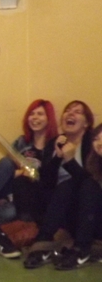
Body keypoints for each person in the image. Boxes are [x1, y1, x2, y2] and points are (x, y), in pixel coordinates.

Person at [23, 100, 94, 269]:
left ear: (86, 123)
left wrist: (70, 161)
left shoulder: (92, 143)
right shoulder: (55, 142)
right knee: (29, 183)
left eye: (77, 112)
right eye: (67, 110)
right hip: (58, 204)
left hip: (87, 206)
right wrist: (57, 156)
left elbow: (91, 183)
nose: (70, 113)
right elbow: (46, 182)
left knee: (68, 185)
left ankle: (51, 241)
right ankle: (44, 243)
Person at [0, 99, 59, 224]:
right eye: (32, 114)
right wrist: (19, 173)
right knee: (6, 162)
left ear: (49, 118)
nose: (35, 117)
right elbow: (6, 171)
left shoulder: (54, 147)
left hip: (29, 199)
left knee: (9, 212)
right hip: (8, 191)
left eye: (40, 114)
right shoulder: (21, 142)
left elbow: (50, 179)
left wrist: (28, 175)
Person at [52, 122, 102, 269]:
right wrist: (62, 158)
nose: (99, 143)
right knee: (68, 185)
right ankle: (44, 241)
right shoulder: (95, 164)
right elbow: (84, 183)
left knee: (85, 185)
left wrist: (70, 161)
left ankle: (82, 248)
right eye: (96, 139)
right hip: (94, 223)